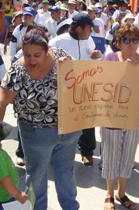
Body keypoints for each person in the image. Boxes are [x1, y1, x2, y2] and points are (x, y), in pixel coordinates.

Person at [0, 26, 81, 210]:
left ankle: (71, 207)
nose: (32, 59)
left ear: (47, 50)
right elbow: (1, 102)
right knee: (36, 177)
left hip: (68, 131)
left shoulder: (60, 56)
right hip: (35, 135)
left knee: (66, 172)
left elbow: (82, 79)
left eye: (37, 55)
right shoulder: (18, 70)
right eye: (27, 54)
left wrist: (72, 65)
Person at [101, 23, 139, 210]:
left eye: (134, 39)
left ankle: (122, 193)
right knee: (111, 156)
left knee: (128, 157)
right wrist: (124, 69)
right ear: (118, 42)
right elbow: (102, 87)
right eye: (125, 39)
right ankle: (109, 194)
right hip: (112, 117)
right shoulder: (110, 58)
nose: (130, 44)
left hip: (136, 118)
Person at [49, 13, 102, 166]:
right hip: (63, 90)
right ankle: (57, 151)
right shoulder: (57, 42)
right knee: (61, 121)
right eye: (89, 29)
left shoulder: (89, 40)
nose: (91, 32)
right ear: (78, 28)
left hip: (85, 87)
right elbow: (48, 63)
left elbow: (96, 61)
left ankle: (87, 151)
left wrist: (96, 56)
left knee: (87, 120)